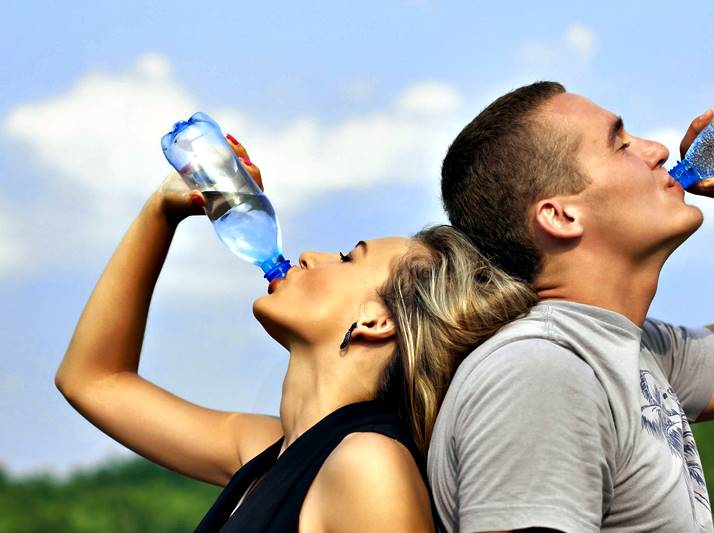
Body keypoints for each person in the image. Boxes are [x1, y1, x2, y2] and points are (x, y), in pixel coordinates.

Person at [55, 136, 536, 532]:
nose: (309, 254)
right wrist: (161, 211)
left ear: (376, 321)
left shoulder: (369, 466)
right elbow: (92, 379)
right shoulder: (268, 450)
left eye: (349, 257)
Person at [430, 81, 714, 532]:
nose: (659, 150)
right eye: (620, 144)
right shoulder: (543, 373)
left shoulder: (628, 350)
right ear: (561, 216)